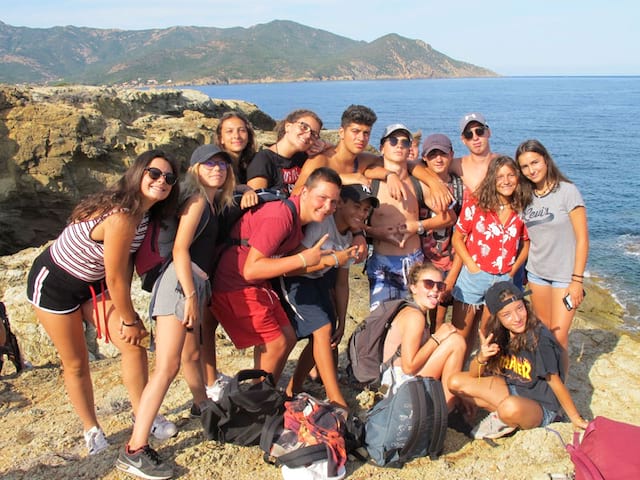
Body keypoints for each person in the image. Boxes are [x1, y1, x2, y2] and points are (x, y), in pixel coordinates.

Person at [26, 149, 180, 455]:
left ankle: (143, 414)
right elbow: (116, 278)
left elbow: (123, 265)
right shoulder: (121, 216)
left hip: (93, 285)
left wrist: (127, 319)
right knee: (76, 362)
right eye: (154, 173)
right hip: (55, 284)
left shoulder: (146, 214)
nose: (161, 181)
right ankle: (91, 428)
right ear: (138, 173)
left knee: (133, 346)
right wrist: (129, 318)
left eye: (169, 178)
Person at [117, 144, 235, 480]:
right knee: (167, 365)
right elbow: (181, 249)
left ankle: (201, 405)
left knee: (191, 353)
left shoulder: (213, 201)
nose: (218, 169)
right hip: (179, 284)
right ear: (195, 169)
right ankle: (134, 449)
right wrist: (189, 296)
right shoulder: (197, 200)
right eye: (209, 163)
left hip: (191, 284)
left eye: (223, 164)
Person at [211, 167, 342, 383]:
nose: (328, 207)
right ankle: (258, 399)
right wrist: (303, 259)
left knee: (288, 337)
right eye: (322, 198)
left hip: (257, 285)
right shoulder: (280, 216)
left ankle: (266, 391)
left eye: (334, 202)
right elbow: (251, 269)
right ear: (305, 193)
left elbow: (281, 264)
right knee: (276, 343)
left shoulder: (300, 222)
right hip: (235, 285)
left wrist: (331, 259)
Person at [448, 282, 588, 439]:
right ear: (498, 318)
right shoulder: (499, 334)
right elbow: (474, 374)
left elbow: (555, 382)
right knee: (455, 382)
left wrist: (576, 418)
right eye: (507, 315)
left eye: (520, 308)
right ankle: (507, 418)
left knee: (509, 408)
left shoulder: (539, 339)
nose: (517, 318)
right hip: (512, 389)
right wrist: (482, 356)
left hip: (541, 406)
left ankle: (504, 418)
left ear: (526, 305)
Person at [279, 184, 373, 408]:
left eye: (366, 211)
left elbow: (342, 284)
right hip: (295, 279)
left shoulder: (350, 236)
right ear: (339, 204)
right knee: (321, 329)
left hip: (318, 281)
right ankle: (335, 399)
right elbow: (289, 265)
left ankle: (295, 386)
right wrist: (330, 260)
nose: (361, 214)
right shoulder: (321, 225)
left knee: (327, 332)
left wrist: (341, 320)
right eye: (357, 207)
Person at [515, 139, 589, 375]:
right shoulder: (526, 196)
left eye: (535, 162)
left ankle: (560, 391)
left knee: (559, 337)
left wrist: (577, 280)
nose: (531, 170)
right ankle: (546, 386)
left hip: (564, 278)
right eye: (525, 167)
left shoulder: (567, 191)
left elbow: (583, 239)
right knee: (543, 333)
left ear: (546, 160)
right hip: (537, 274)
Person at [366, 124, 456, 311]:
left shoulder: (418, 184)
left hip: (415, 263)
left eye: (404, 142)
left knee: (415, 323)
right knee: (381, 322)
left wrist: (418, 226)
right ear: (382, 148)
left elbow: (449, 217)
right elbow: (352, 223)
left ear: (409, 149)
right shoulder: (370, 183)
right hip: (383, 263)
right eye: (393, 141)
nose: (399, 145)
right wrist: (375, 232)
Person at [450, 155, 530, 361]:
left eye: (511, 175)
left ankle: (480, 374)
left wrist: (512, 270)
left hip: (503, 280)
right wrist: (471, 265)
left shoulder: (521, 208)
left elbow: (526, 243)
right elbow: (457, 237)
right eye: (500, 176)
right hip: (473, 277)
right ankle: (454, 376)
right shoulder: (476, 203)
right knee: (461, 335)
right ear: (491, 179)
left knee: (489, 335)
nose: (506, 181)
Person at [380, 262, 465, 411]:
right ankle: (445, 412)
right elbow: (409, 366)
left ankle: (447, 404)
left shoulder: (414, 310)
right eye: (428, 284)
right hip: (399, 384)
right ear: (413, 287)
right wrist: (437, 338)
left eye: (440, 286)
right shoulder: (415, 317)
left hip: (392, 380)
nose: (435, 290)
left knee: (451, 343)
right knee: (456, 342)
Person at [420, 134, 464, 332]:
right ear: (424, 158)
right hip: (422, 261)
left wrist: (453, 274)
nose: (438, 159)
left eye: (443, 154)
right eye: (433, 155)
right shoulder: (417, 185)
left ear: (451, 155)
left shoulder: (461, 189)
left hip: (449, 261)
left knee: (441, 317)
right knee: (422, 316)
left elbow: (466, 234)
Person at [246, 109, 322, 196]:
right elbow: (255, 200)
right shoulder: (263, 159)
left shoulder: (304, 158)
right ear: (288, 126)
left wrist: (324, 145)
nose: (308, 135)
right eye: (304, 127)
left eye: (313, 134)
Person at [451, 112, 499, 197]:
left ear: (488, 132)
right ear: (463, 139)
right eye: (469, 134)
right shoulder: (458, 165)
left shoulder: (502, 163)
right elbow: (421, 165)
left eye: (479, 131)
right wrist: (434, 184)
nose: (475, 138)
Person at [216, 110, 256, 185]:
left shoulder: (253, 164)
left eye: (242, 130)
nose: (236, 136)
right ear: (221, 138)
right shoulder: (217, 166)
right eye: (229, 131)